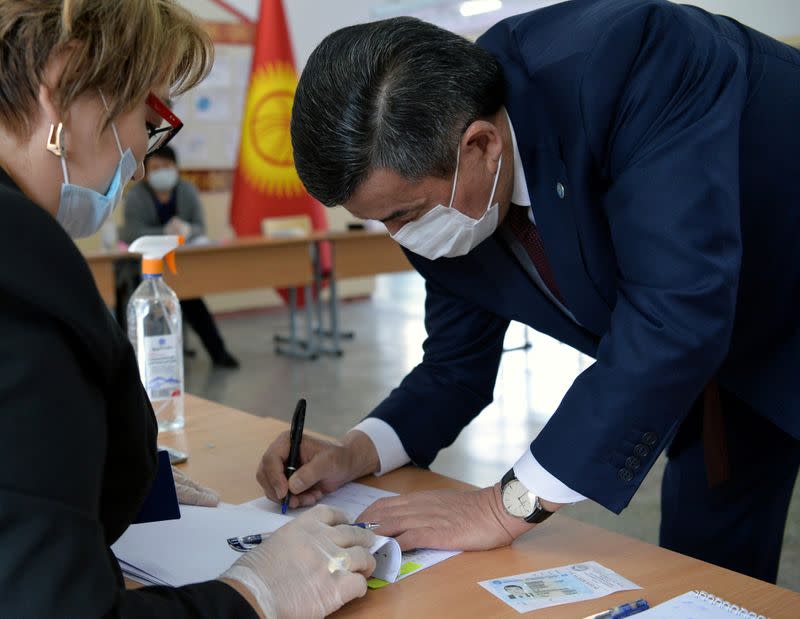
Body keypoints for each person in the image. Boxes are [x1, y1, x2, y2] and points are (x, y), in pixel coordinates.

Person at [258, 0, 800, 584]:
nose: (400, 237)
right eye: (381, 221)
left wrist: (504, 504)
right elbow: (453, 369)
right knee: (710, 580)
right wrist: (356, 452)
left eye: (403, 214)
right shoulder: (443, 193)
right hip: (715, 379)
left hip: (771, 300)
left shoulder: (635, 61)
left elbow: (673, 316)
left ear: (482, 147)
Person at [0, 1, 376, 617]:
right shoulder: (21, 262)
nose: (144, 158)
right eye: (148, 116)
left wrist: (94, 477)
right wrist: (253, 594)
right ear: (66, 82)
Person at [122, 145, 240, 369]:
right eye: (155, 167)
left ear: (176, 168)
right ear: (145, 170)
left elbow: (199, 227)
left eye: (167, 166)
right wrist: (165, 234)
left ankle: (218, 352)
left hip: (181, 267)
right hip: (146, 268)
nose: (162, 171)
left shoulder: (186, 191)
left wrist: (186, 229)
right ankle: (149, 360)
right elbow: (131, 233)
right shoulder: (136, 196)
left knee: (192, 299)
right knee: (152, 308)